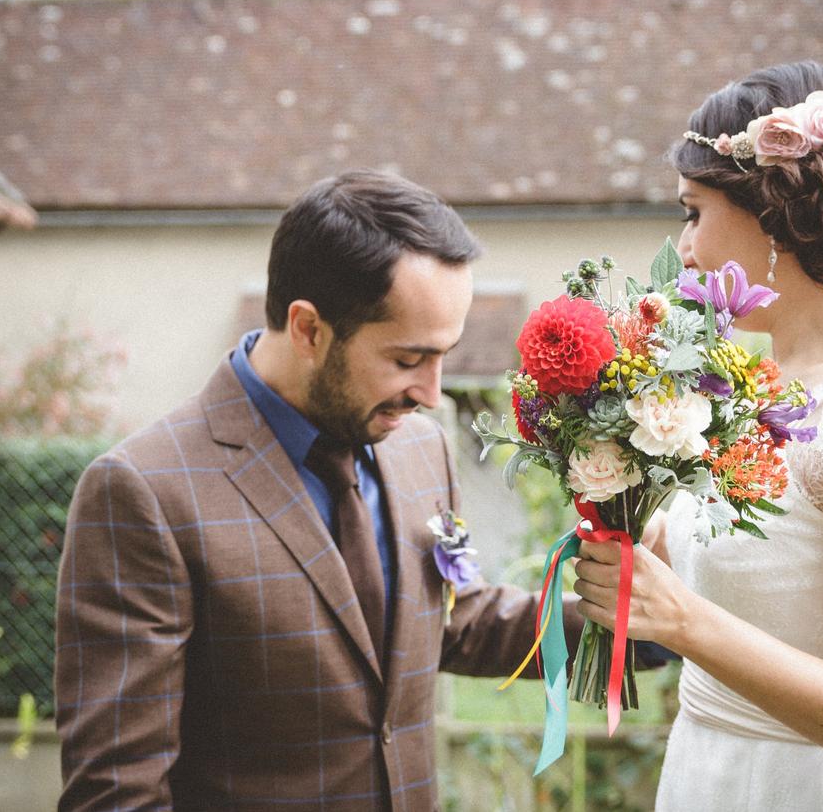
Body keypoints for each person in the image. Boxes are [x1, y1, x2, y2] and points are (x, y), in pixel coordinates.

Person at [55, 169, 565, 811]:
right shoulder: (143, 494)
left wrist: (632, 619)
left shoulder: (419, 447)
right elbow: (117, 795)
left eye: (444, 357)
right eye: (408, 360)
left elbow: (451, 621)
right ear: (307, 329)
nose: (433, 393)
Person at [573, 61, 823, 810]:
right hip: (710, 775)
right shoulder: (762, 380)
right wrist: (629, 529)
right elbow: (776, 584)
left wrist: (684, 620)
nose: (682, 245)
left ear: (772, 212)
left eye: (694, 211)